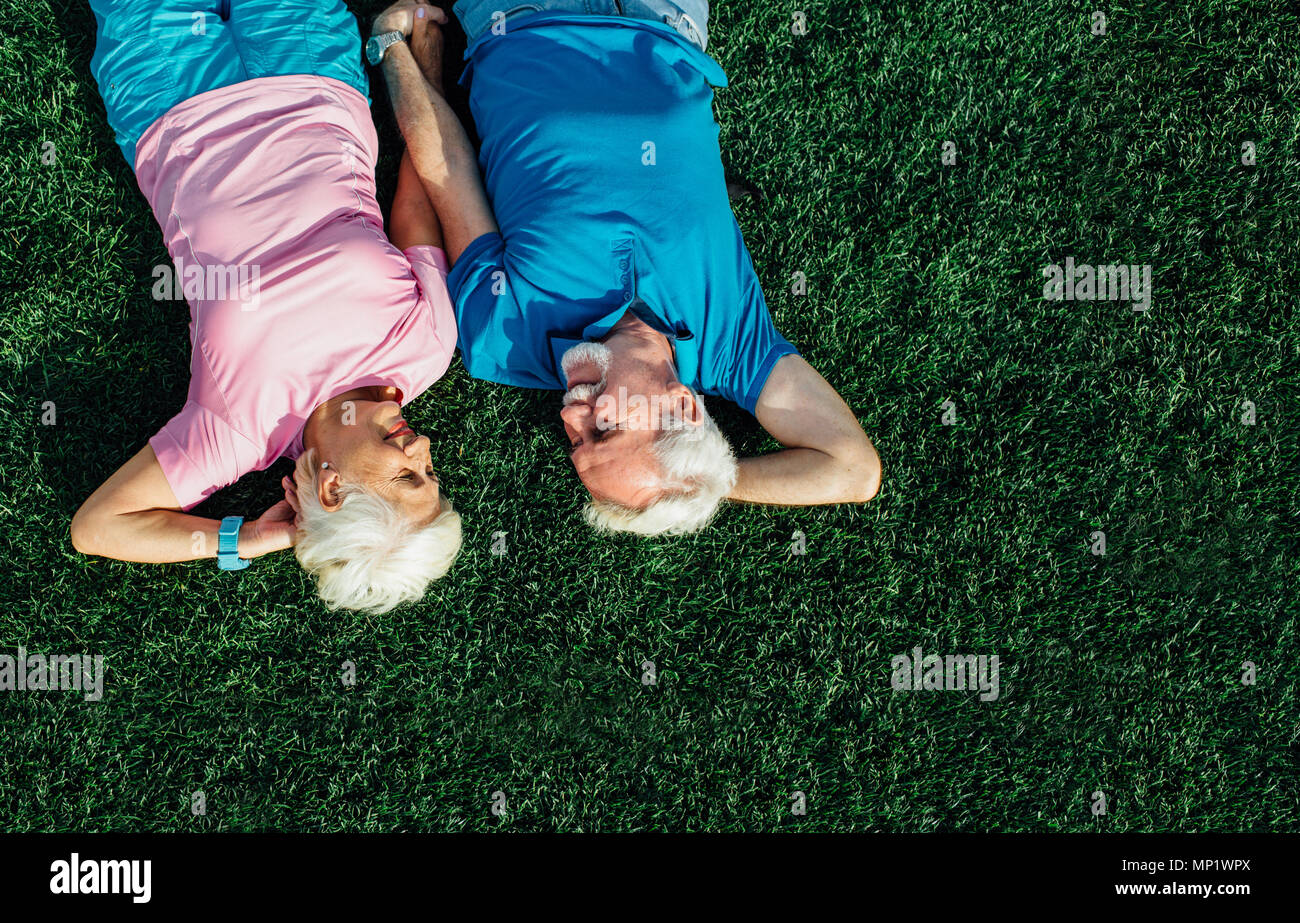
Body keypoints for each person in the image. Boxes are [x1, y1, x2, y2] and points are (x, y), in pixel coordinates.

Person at [372, 0, 882, 537]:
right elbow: (853, 469)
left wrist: (390, 46)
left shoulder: (502, 338)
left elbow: (446, 170)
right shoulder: (734, 348)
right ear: (684, 408)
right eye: (606, 428)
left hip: (521, 17)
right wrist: (697, 480)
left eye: (576, 442)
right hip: (666, 19)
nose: (572, 416)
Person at [70, 0, 463, 613]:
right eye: (431, 475)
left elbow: (98, 528)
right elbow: (413, 206)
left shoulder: (235, 432)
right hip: (312, 70)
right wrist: (423, 69)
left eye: (407, 476)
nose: (425, 451)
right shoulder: (426, 350)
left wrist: (248, 538)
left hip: (168, 98)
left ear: (331, 490)